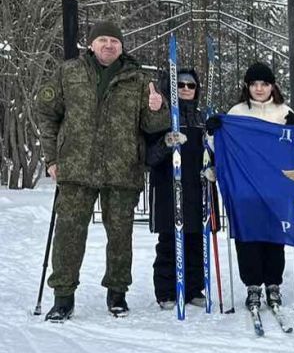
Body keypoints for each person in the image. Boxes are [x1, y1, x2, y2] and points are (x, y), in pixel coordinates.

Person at [35, 19, 169, 320]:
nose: (109, 45)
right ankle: (63, 297)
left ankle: (117, 294)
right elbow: (47, 114)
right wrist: (51, 159)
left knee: (121, 236)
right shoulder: (68, 73)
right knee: (69, 234)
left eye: (115, 41)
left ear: (122, 46)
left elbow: (153, 127)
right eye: (103, 40)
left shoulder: (138, 79)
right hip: (76, 168)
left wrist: (157, 107)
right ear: (92, 44)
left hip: (122, 170)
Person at [205, 62, 294, 311]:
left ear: (273, 86)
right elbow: (220, 149)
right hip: (245, 189)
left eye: (264, 84)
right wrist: (213, 133)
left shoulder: (284, 112)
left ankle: (273, 285)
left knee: (273, 237)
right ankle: (253, 287)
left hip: (276, 188)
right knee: (248, 237)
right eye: (254, 84)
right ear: (247, 86)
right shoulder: (236, 113)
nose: (259, 89)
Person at [145, 67, 210, 309]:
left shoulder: (203, 119)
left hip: (197, 186)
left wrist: (212, 165)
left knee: (195, 240)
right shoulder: (160, 117)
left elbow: (214, 152)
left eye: (190, 85)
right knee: (169, 241)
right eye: (180, 85)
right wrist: (166, 142)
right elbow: (149, 157)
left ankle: (193, 288)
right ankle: (166, 290)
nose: (185, 89)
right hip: (168, 187)